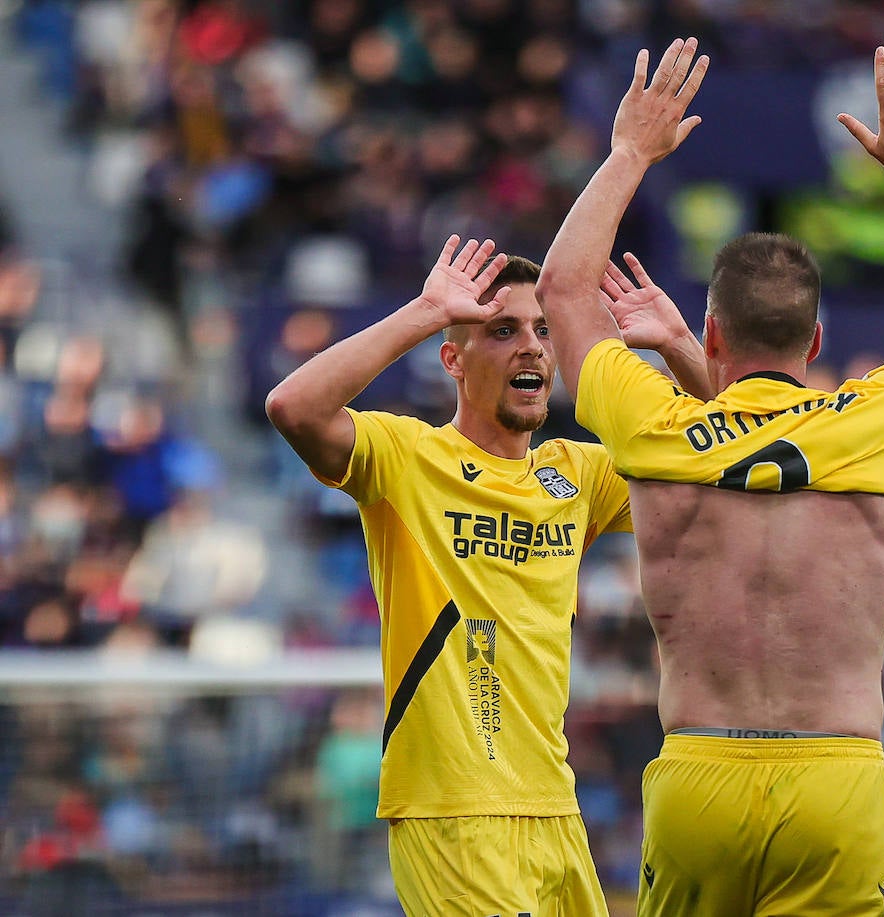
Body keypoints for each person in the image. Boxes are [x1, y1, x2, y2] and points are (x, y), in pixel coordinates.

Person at [535, 36, 884, 916]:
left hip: (698, 770)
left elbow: (563, 290)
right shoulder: (881, 421)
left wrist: (629, 152)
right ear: (815, 344)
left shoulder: (656, 423)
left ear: (708, 337)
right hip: (835, 775)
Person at [264, 237, 706, 915]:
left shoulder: (577, 474)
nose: (531, 346)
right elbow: (293, 407)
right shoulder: (407, 458)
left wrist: (678, 346)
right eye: (502, 330)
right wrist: (424, 310)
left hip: (555, 807)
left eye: (543, 330)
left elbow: (733, 457)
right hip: (452, 813)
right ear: (454, 359)